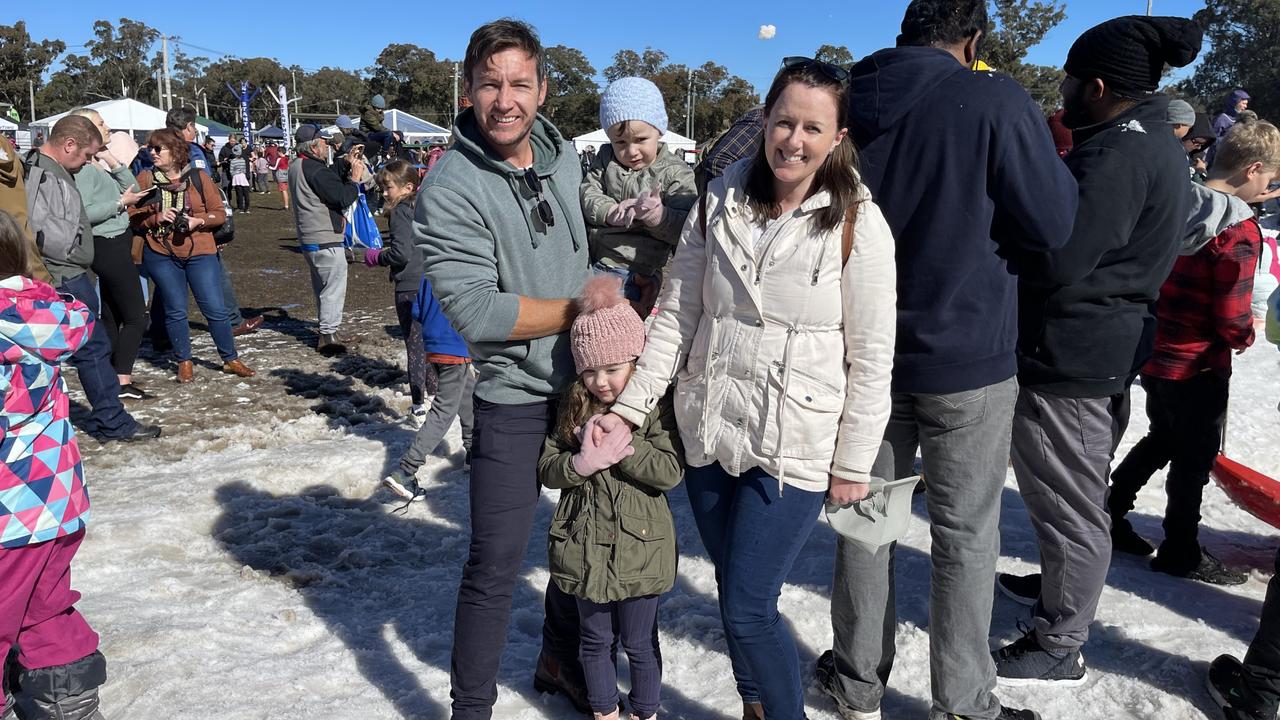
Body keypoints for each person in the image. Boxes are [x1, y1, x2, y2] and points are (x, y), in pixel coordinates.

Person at [789, 3, 1075, 720]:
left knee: (865, 524)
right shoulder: (993, 98)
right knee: (966, 536)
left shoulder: (841, 98)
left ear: (905, 33)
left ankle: (856, 682)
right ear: (972, 39)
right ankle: (964, 703)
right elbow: (1052, 224)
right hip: (967, 357)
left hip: (862, 356)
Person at [601, 56, 897, 720]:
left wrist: (852, 462)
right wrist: (630, 406)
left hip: (795, 440)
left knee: (748, 604)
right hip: (709, 424)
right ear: (764, 121)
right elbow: (676, 315)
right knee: (737, 591)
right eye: (784, 121)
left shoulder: (858, 223)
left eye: (812, 128)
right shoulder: (720, 201)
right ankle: (757, 705)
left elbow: (873, 357)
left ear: (838, 136)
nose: (794, 140)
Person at [992, 14, 1203, 691]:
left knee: (1072, 501)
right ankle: (1059, 593)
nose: (1065, 94)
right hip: (1102, 343)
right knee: (1068, 492)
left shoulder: (1115, 153)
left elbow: (1062, 255)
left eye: (1072, 82)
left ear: (1100, 86)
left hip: (1076, 352)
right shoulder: (1148, 141)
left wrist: (1004, 236)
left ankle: (1061, 640)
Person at [415, 19, 591, 719]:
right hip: (513, 396)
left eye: (520, 83)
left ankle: (559, 656)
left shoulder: (566, 157)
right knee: (494, 564)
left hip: (584, 388)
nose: (505, 99)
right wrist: (586, 309)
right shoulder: (450, 186)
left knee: (584, 546)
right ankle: (472, 708)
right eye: (490, 83)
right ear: (468, 89)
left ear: (543, 90)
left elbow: (594, 236)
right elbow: (480, 313)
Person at [1105, 121, 1280, 583]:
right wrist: (1243, 337)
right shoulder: (1238, 230)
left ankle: (1110, 511)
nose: (1270, 190)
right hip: (1197, 362)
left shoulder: (1175, 200)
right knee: (1193, 455)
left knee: (1162, 437)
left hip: (1154, 350)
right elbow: (1231, 311)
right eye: (1270, 180)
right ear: (1253, 169)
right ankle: (1180, 547)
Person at [538, 274, 683, 720]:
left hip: (641, 547)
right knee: (595, 641)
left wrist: (627, 448)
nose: (601, 381)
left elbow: (671, 471)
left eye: (613, 369)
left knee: (640, 643)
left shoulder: (654, 408)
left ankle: (645, 710)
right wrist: (580, 465)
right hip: (583, 548)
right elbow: (548, 466)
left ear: (637, 363)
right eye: (590, 370)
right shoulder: (572, 407)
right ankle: (604, 711)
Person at [0, 209, 108, 720]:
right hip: (55, 506)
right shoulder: (40, 317)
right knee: (42, 608)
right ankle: (69, 702)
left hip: (9, 517)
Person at [24, 115, 160, 442]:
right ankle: (113, 423)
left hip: (61, 273)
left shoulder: (41, 166)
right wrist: (76, 249)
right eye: (85, 155)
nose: (86, 162)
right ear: (69, 144)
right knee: (93, 347)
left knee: (72, 348)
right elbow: (51, 234)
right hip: (63, 275)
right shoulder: (46, 175)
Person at [129, 128, 255, 383]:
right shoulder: (145, 179)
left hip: (200, 250)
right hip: (161, 252)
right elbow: (131, 216)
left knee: (215, 308)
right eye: (150, 149)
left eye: (158, 149)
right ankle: (184, 361)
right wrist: (155, 218)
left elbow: (219, 213)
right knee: (175, 310)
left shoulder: (198, 177)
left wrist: (199, 221)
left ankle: (230, 358)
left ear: (175, 152)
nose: (152, 153)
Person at [581, 76, 696, 311]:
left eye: (641, 140)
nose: (631, 151)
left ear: (659, 131)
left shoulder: (675, 172)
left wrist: (658, 216)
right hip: (594, 261)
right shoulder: (605, 159)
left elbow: (687, 227)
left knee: (616, 335)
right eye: (620, 142)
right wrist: (609, 211)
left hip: (637, 270)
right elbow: (587, 192)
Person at [68, 108, 151, 400]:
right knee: (137, 317)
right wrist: (120, 204)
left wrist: (111, 159)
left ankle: (113, 374)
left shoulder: (95, 164)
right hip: (107, 244)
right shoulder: (82, 171)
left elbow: (131, 187)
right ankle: (122, 379)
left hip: (116, 240)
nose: (107, 126)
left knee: (113, 313)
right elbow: (84, 213)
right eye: (101, 123)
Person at [362, 160, 431, 427]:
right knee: (430, 343)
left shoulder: (401, 211)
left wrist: (377, 256)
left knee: (415, 346)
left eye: (388, 187)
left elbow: (401, 253)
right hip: (429, 282)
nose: (384, 193)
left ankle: (418, 405)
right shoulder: (423, 207)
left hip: (409, 287)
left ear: (407, 187)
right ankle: (436, 396)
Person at [290, 124, 364, 356]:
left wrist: (343, 162)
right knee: (333, 288)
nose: (328, 146)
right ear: (314, 145)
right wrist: (354, 179)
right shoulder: (315, 169)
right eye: (324, 143)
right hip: (324, 237)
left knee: (323, 288)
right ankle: (328, 335)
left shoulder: (298, 165)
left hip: (309, 236)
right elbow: (341, 196)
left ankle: (329, 330)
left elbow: (326, 178)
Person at [228, 145, 250, 214]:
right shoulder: (243, 160)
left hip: (236, 177)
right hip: (243, 176)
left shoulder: (233, 161)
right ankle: (247, 208)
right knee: (246, 193)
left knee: (239, 193)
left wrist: (233, 175)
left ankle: (240, 208)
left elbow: (231, 170)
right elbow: (244, 169)